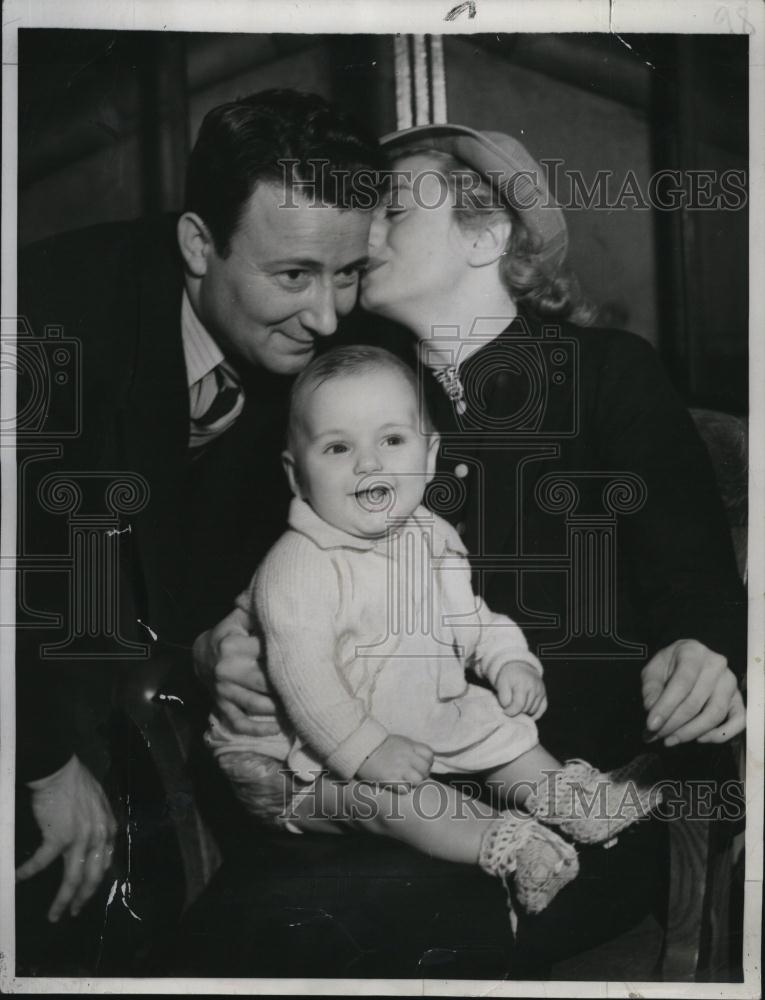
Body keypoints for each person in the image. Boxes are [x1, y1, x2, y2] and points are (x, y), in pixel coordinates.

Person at [196, 124, 746, 975]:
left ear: (488, 234)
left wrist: (702, 652)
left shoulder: (606, 372)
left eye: (388, 211)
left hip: (575, 804)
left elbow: (699, 587)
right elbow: (249, 585)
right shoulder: (340, 401)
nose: (360, 234)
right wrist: (221, 652)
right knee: (242, 934)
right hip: (372, 796)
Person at [14, 88, 384, 971]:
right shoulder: (43, 319)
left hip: (138, 700)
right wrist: (41, 765)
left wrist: (223, 634)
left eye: (348, 273)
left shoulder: (335, 348)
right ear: (195, 244)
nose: (328, 317)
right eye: (293, 275)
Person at [205, 343, 663, 914]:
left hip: (413, 704)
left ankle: (573, 800)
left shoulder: (433, 535)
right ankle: (507, 844)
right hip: (307, 748)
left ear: (429, 456)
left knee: (505, 731)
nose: (369, 464)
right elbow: (306, 683)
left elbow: (466, 615)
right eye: (338, 447)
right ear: (296, 477)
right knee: (397, 802)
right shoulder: (298, 565)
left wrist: (507, 658)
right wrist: (367, 751)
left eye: (392, 440)